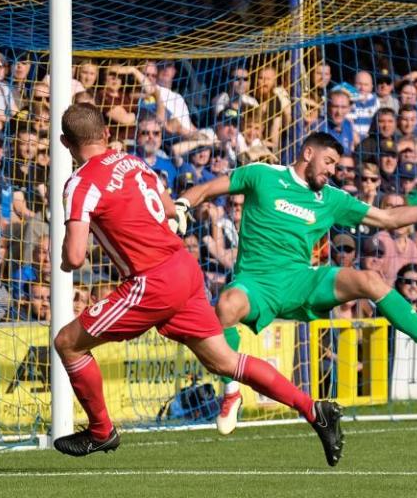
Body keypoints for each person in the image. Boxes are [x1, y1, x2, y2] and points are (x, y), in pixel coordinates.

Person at [53, 104, 345, 467]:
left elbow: (77, 257)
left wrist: (65, 256)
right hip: (184, 269)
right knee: (225, 360)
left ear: (65, 142)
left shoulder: (80, 183)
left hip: (151, 280)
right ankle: (313, 409)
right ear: (107, 134)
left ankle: (100, 431)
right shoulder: (135, 163)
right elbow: (167, 208)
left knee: (68, 344)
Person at [174, 131, 417, 435]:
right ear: (307, 153)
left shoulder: (331, 198)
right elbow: (208, 188)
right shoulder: (261, 175)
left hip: (302, 280)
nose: (331, 171)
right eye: (328, 162)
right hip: (256, 284)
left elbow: (387, 219)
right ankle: (231, 393)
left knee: (368, 279)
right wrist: (182, 204)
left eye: (335, 166)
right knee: (225, 305)